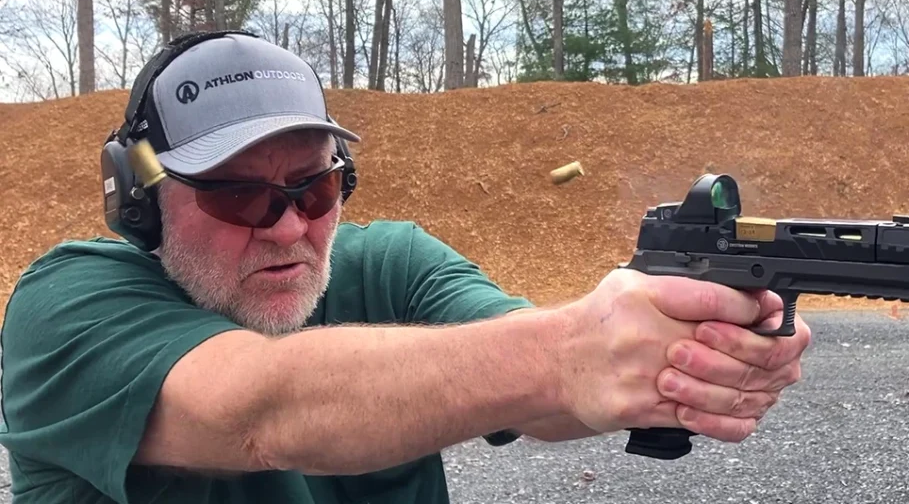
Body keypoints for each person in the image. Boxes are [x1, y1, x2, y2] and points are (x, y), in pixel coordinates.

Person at [0, 30, 811, 504]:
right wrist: (566, 352)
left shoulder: (391, 262)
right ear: (140, 202)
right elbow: (262, 409)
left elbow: (544, 389)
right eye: (240, 196)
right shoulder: (64, 306)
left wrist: (670, 358)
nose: (289, 227)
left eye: (314, 188)